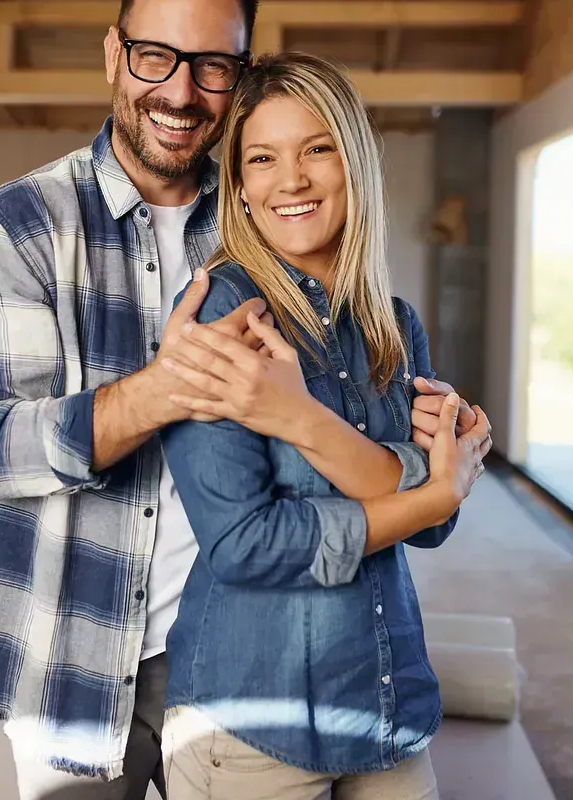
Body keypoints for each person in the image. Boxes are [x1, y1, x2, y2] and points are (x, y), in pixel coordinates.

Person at [0, 0, 486, 799]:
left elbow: (392, 469)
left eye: (213, 65)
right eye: (157, 56)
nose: (182, 90)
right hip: (75, 657)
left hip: (236, 650)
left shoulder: (261, 232)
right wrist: (160, 390)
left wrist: (433, 452)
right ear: (115, 54)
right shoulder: (21, 227)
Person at [155, 52, 493, 799]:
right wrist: (427, 489)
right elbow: (245, 543)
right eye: (262, 159)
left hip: (385, 703)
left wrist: (305, 423)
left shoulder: (393, 327)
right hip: (252, 724)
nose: (292, 180)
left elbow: (433, 527)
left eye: (317, 148)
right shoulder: (222, 313)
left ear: (355, 162)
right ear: (240, 187)